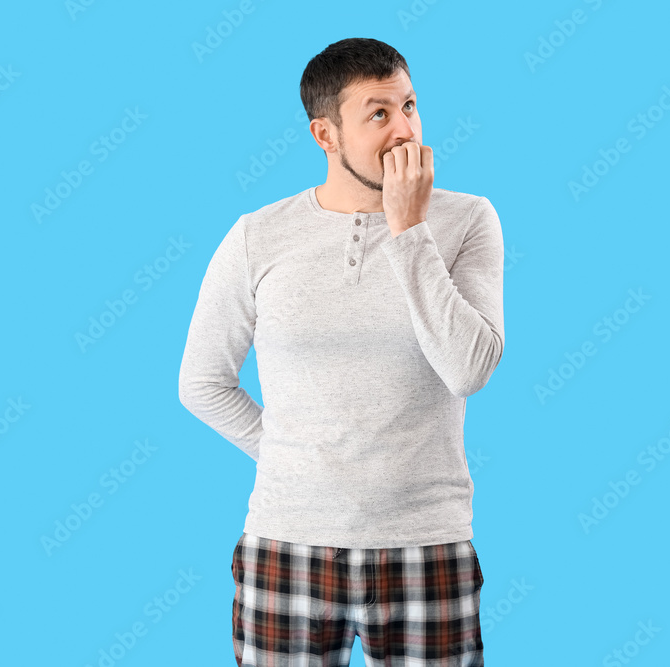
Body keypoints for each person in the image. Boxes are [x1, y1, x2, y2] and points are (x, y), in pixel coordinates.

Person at [179, 36, 504, 666]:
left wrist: (409, 229)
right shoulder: (258, 236)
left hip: (427, 546)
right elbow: (202, 383)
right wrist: (293, 454)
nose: (405, 130)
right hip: (287, 546)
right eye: (379, 114)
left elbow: (470, 370)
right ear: (324, 135)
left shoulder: (467, 221)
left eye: (410, 106)